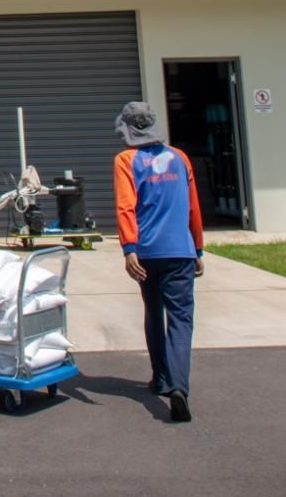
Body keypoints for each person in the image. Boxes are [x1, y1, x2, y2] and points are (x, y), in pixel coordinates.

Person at [112, 101, 204, 423]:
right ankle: (179, 387)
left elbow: (126, 206)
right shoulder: (180, 158)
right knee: (180, 320)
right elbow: (193, 207)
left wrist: (129, 248)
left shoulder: (126, 160)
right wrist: (199, 248)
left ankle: (160, 378)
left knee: (154, 312)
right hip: (180, 250)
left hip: (147, 253)